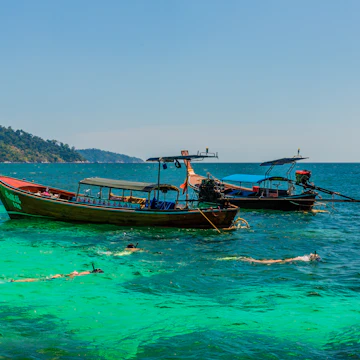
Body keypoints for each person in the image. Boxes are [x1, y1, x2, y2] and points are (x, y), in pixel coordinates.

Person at [10, 264, 104, 282]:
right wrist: (69, 279)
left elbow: (74, 273)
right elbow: (75, 274)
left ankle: (16, 281)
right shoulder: (87, 273)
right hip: (60, 278)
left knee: (39, 279)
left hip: (60, 275)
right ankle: (16, 281)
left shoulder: (87, 271)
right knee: (36, 280)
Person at [238, 252, 321, 264]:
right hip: (285, 261)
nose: (313, 254)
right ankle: (249, 260)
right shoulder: (306, 258)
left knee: (267, 262)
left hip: (285, 261)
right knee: (266, 262)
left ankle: (249, 259)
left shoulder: (305, 258)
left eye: (315, 255)